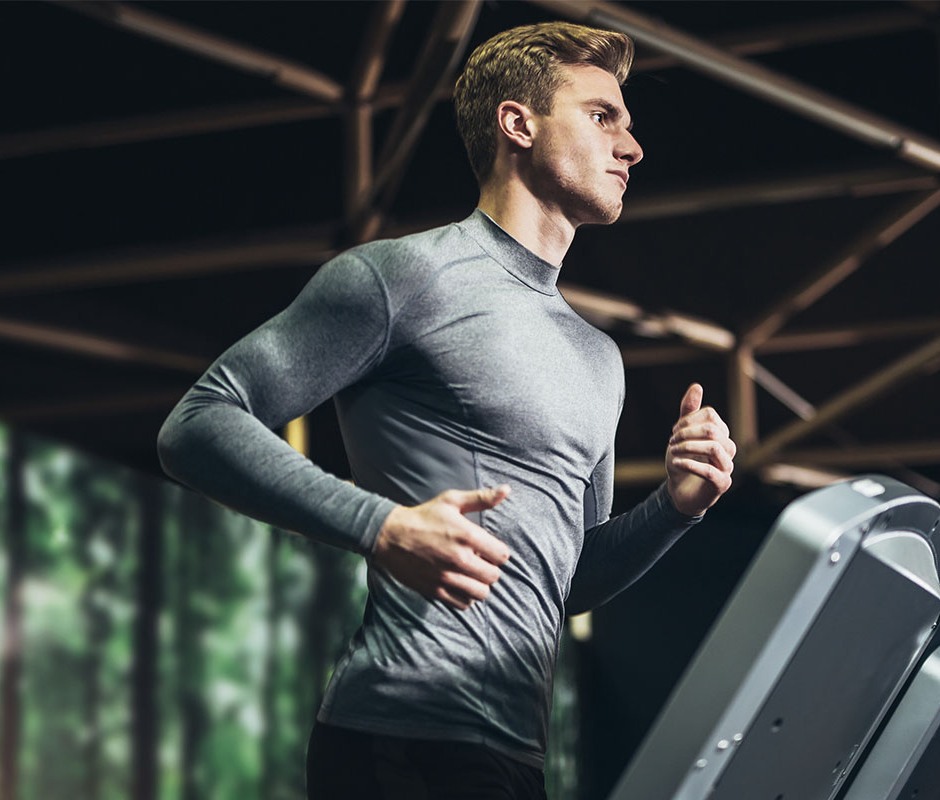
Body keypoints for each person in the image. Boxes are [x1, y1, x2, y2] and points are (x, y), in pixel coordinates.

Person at [157, 21, 736, 800]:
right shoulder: (404, 277)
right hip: (398, 740)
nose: (631, 147)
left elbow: (564, 584)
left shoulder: (599, 357)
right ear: (518, 124)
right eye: (603, 117)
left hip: (514, 755)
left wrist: (675, 508)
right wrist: (383, 526)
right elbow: (198, 422)